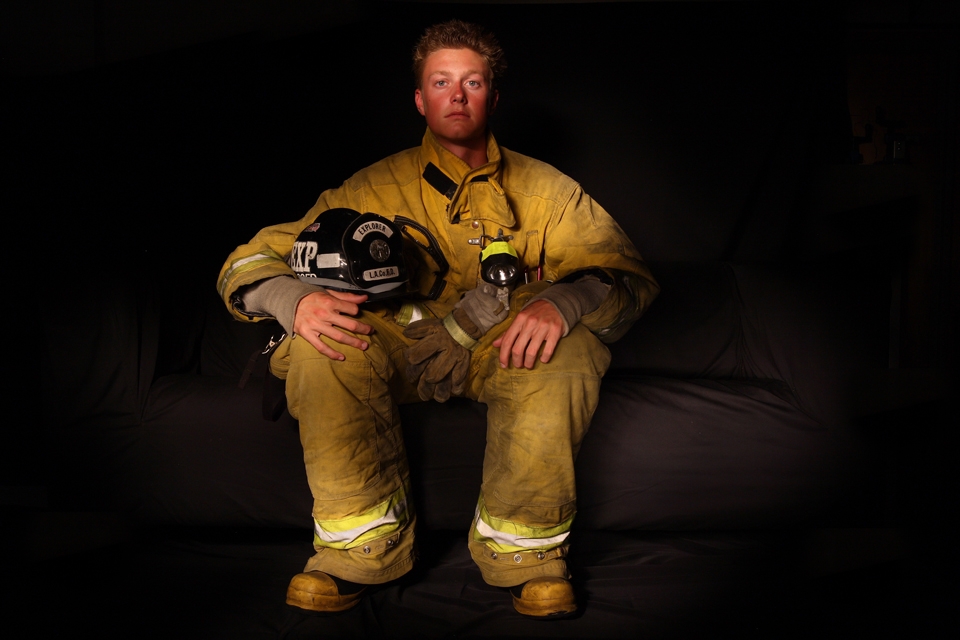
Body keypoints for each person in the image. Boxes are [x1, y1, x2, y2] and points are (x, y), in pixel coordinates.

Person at [217, 19, 658, 618]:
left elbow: (625, 275)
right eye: (441, 82)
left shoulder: (548, 192)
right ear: (420, 100)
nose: (457, 95)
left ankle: (526, 555)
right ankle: (359, 550)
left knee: (569, 346)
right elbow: (252, 258)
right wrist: (292, 301)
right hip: (391, 344)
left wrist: (565, 301)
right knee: (321, 344)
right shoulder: (373, 187)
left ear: (492, 98)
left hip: (499, 349)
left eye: (472, 82)